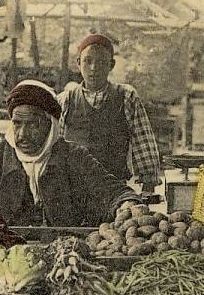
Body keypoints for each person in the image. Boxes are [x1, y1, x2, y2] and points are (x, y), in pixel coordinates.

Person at [0, 80, 139, 227]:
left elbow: (112, 191)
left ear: (51, 124)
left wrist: (125, 204)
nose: (22, 134)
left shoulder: (73, 155)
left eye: (33, 124)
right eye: (17, 124)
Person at [57, 34, 162, 193]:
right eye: (88, 61)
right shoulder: (65, 100)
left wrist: (148, 184)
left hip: (114, 187)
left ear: (111, 65)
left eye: (101, 62)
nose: (93, 68)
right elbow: (55, 147)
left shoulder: (127, 96)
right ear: (78, 63)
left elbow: (143, 143)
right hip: (73, 188)